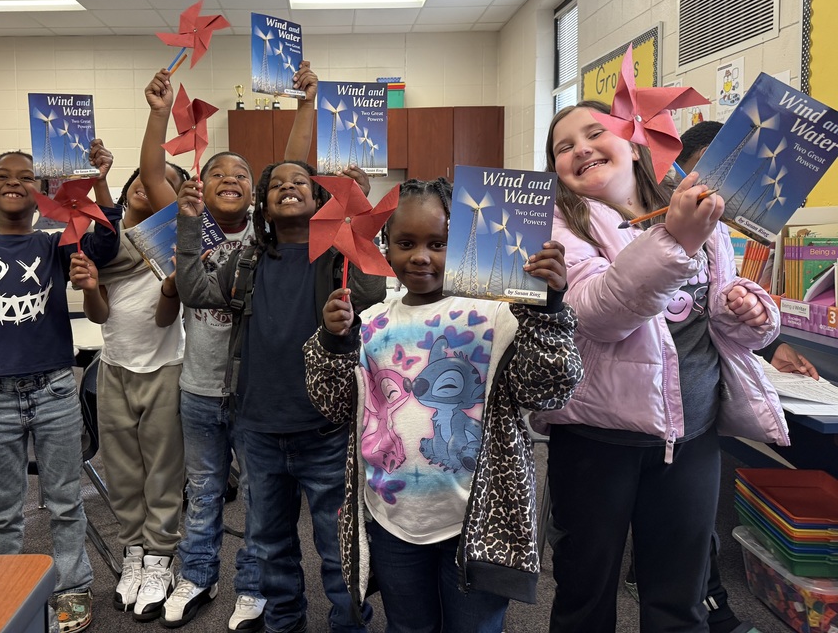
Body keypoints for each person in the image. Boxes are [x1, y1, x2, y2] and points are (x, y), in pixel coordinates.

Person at [534, 100, 789, 633]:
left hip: (691, 434)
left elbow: (722, 319)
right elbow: (598, 313)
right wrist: (677, 239)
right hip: (594, 439)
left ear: (632, 140)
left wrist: (746, 309)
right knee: (585, 590)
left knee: (681, 595)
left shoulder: (696, 207)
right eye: (563, 147)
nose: (579, 147)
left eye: (594, 132)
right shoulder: (559, 225)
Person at [302, 177, 584, 633]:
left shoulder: (499, 315)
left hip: (476, 526)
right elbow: (334, 405)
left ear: (464, 244)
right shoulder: (369, 323)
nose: (421, 256)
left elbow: (550, 389)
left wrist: (547, 310)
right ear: (385, 247)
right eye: (406, 243)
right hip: (393, 520)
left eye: (438, 243)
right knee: (408, 626)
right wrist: (334, 344)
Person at [140, 63, 321, 630]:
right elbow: (150, 176)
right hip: (198, 386)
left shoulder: (264, 234)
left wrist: (305, 105)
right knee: (203, 490)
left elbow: (292, 170)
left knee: (263, 506)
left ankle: (252, 585)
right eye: (217, 171)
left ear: (258, 194)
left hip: (253, 393)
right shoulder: (191, 225)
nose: (230, 178)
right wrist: (159, 112)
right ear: (200, 185)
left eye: (244, 175)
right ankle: (197, 574)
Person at [619, 119, 819, 633]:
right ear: (681, 167)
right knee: (604, 542)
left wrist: (769, 340)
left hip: (696, 409)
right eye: (714, 173)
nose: (721, 193)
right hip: (627, 408)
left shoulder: (720, 231)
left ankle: (712, 605)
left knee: (687, 532)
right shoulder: (643, 215)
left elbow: (721, 297)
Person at [174, 155, 384, 633]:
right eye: (277, 185)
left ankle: (350, 625)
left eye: (301, 182)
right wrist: (189, 228)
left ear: (320, 200)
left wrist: (359, 214)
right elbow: (195, 291)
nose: (288, 187)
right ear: (263, 209)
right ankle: (283, 623)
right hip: (259, 432)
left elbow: (372, 293)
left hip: (325, 431)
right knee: (270, 547)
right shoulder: (245, 261)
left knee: (339, 549)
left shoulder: (337, 259)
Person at [0, 146, 122, 633]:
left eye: (27, 177)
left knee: (64, 498)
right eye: (2, 177)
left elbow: (106, 248)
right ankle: (2, 584)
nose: (14, 182)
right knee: (2, 505)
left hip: (53, 391)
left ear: (42, 193)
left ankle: (72, 585)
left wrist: (99, 184)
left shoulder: (57, 243)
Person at [71, 68, 193, 624]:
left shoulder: (173, 240)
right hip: (115, 367)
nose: (145, 187)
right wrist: (92, 290)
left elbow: (170, 309)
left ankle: (162, 554)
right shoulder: (110, 243)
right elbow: (99, 313)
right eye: (137, 185)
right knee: (122, 468)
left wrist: (156, 115)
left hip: (165, 368)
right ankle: (136, 550)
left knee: (163, 469)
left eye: (158, 182)